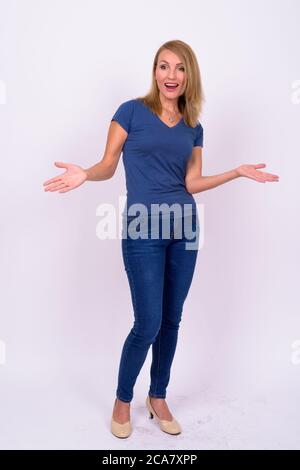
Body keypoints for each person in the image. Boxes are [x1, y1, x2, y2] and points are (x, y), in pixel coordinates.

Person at [42, 39, 279, 439]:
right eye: (164, 66)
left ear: (190, 76)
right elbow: (107, 165)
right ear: (155, 72)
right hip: (142, 230)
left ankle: (157, 395)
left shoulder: (193, 125)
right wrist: (84, 173)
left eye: (180, 68)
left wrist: (236, 172)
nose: (172, 75)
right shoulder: (131, 112)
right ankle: (122, 400)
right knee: (147, 323)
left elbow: (192, 182)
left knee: (171, 320)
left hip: (184, 229)